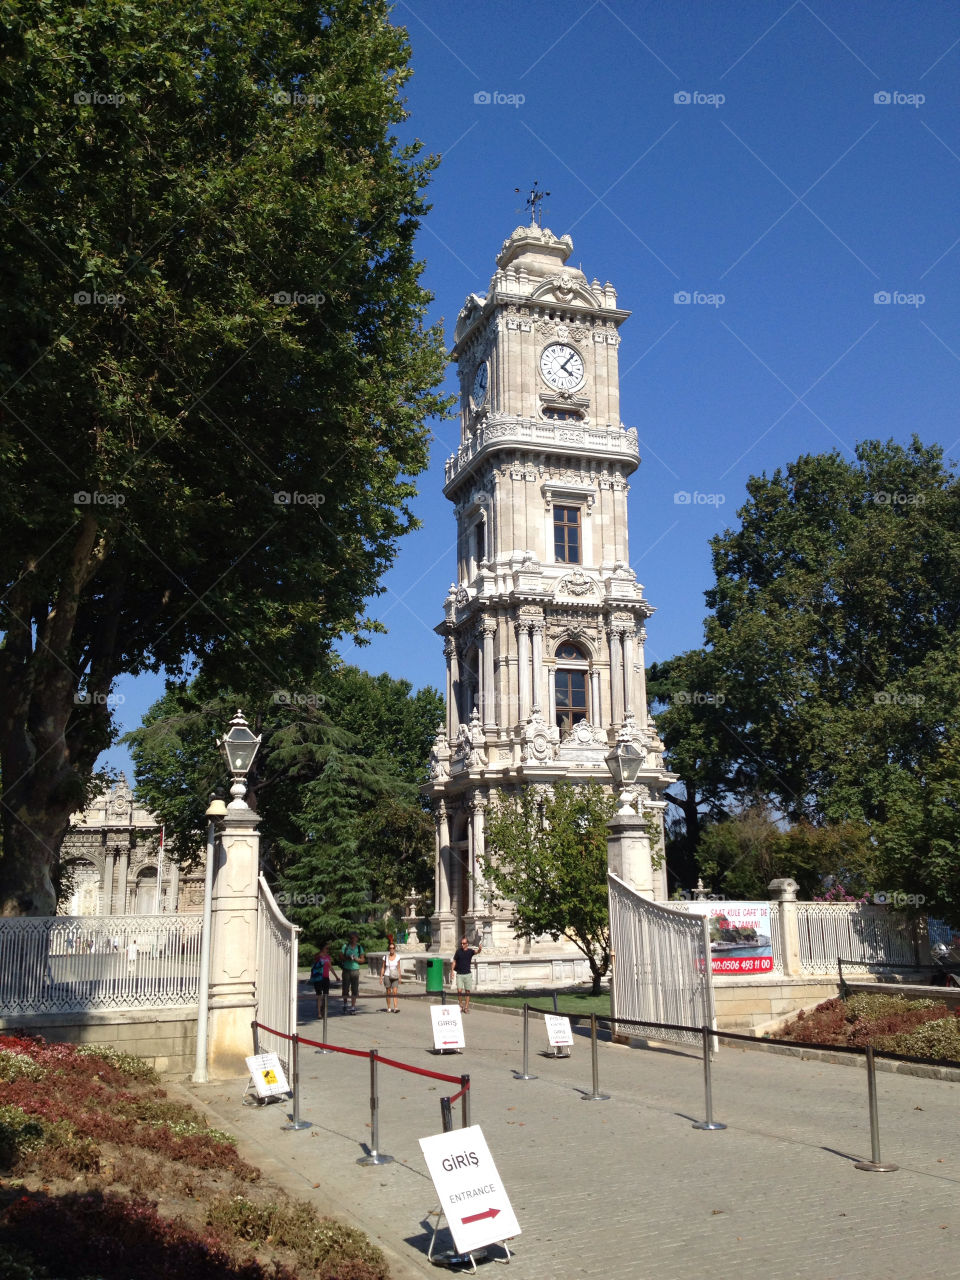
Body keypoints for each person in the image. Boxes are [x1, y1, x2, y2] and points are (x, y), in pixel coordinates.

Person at [452, 935, 482, 1013]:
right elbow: (454, 961)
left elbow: (477, 952)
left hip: (468, 974)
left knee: (467, 991)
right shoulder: (458, 951)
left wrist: (480, 949)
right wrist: (452, 971)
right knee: (459, 991)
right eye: (461, 943)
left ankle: (466, 1007)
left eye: (464, 943)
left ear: (467, 944)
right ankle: (460, 1005)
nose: (462, 945)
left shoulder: (470, 951)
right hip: (459, 974)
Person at [310, 943, 339, 1019]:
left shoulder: (328, 957)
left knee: (326, 995)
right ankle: (319, 1013)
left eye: (328, 949)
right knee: (319, 995)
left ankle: (323, 1010)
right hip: (318, 977)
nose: (327, 950)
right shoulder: (318, 956)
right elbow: (314, 963)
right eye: (326, 948)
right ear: (322, 948)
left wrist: (336, 976)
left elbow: (330, 967)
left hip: (326, 977)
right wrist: (320, 954)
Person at [340, 932, 365, 1014]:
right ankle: (345, 1004)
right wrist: (348, 957)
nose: (353, 939)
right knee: (345, 988)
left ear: (357, 938)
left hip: (355, 970)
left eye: (354, 938)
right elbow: (340, 956)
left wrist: (356, 959)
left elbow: (363, 960)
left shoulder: (359, 947)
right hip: (346, 970)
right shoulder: (345, 946)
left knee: (354, 989)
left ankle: (353, 1007)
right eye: (351, 938)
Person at [380, 940, 402, 1013]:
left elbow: (399, 968)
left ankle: (395, 1007)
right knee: (388, 991)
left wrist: (400, 977)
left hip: (395, 976)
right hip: (387, 975)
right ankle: (389, 1007)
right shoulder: (385, 957)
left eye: (393, 948)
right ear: (389, 949)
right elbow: (383, 967)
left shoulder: (398, 957)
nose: (392, 949)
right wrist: (381, 977)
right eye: (390, 948)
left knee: (395, 991)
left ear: (395, 949)